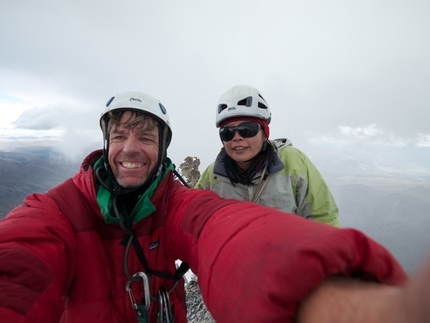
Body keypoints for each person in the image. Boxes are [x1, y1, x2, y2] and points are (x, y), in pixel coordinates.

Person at [0, 90, 429, 323]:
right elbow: (20, 263)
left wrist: (324, 287)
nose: (131, 148)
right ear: (105, 143)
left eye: (146, 137)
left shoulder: (179, 199)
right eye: (120, 137)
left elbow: (219, 228)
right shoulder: (60, 210)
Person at [196, 85, 339, 226]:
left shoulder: (292, 161)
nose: (237, 137)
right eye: (227, 132)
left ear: (265, 133)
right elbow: (195, 221)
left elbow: (324, 218)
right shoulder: (213, 174)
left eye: (247, 129)